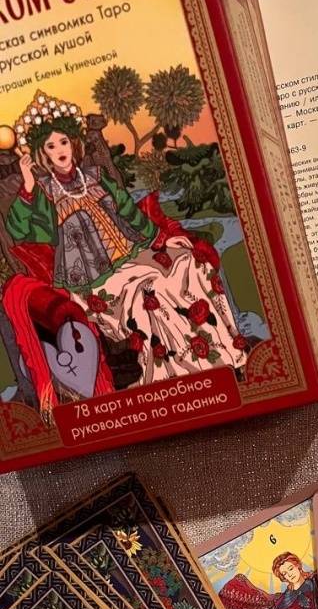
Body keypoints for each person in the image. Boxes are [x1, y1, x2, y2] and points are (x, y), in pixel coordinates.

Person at [3, 90, 247, 417]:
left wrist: (163, 239)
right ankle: (174, 377)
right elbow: (21, 229)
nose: (60, 150)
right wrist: (29, 185)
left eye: (63, 142)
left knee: (187, 263)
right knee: (150, 287)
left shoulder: (97, 177)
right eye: (51, 146)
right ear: (42, 154)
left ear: (74, 144)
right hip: (91, 280)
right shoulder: (44, 192)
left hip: (130, 254)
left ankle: (218, 358)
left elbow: (130, 215)